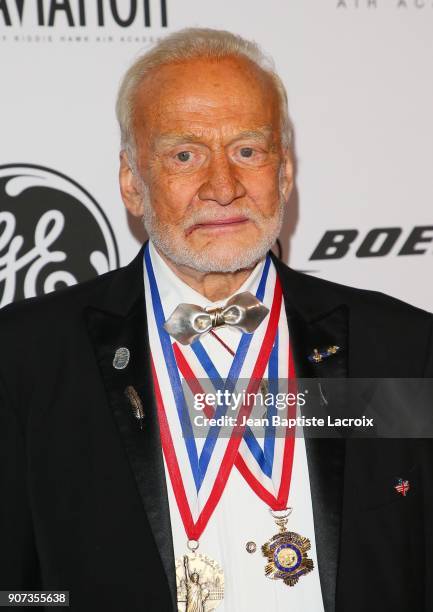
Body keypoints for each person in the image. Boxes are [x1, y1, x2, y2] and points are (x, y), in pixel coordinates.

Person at [0, 27, 432, 612]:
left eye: (248, 150)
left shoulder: (401, 347)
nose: (223, 187)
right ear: (132, 182)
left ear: (283, 173)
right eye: (184, 155)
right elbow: (17, 591)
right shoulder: (28, 355)